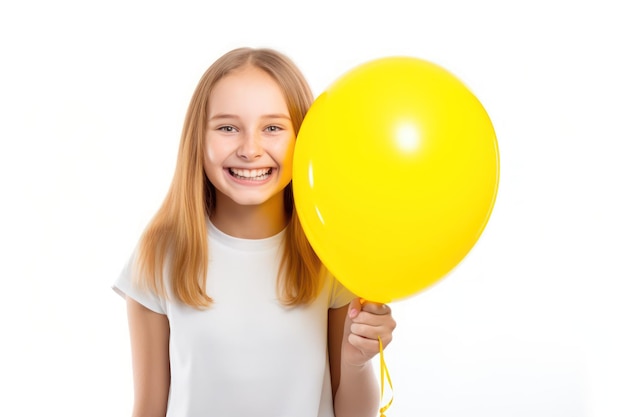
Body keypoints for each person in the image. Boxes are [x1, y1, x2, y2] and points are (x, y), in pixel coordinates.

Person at [114, 47, 396, 417]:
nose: (250, 150)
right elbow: (149, 407)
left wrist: (358, 361)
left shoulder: (329, 253)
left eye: (273, 128)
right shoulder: (161, 252)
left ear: (304, 138)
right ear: (198, 138)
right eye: (227, 127)